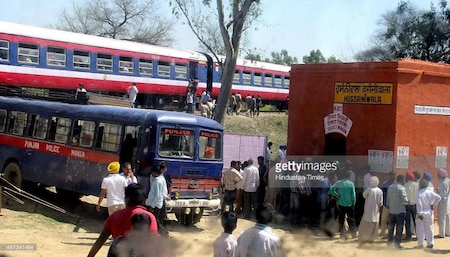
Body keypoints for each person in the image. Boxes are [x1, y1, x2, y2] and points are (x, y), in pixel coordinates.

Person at [87, 183, 158, 257]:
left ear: (126, 198)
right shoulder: (149, 217)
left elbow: (101, 240)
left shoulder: (115, 216)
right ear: (144, 200)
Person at [329, 170, 357, 240]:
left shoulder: (339, 182)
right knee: (351, 220)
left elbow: (331, 189)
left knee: (341, 220)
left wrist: (337, 196)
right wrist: (354, 202)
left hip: (341, 203)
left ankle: (342, 234)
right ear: (349, 176)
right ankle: (353, 234)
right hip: (350, 204)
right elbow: (353, 195)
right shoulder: (351, 184)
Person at [416, 178, 441, 249]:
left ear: (420, 185)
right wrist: (433, 204)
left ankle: (421, 243)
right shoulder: (429, 192)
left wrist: (419, 213)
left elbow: (419, 204)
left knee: (420, 229)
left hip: (422, 213)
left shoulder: (419, 193)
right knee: (430, 228)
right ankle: (430, 243)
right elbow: (438, 198)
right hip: (429, 212)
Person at [146, 164, 170, 237]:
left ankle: (164, 234)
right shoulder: (158, 179)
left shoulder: (158, 182)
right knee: (156, 220)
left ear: (155, 173)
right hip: (155, 202)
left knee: (155, 221)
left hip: (155, 204)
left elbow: (158, 195)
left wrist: (152, 206)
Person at [358, 176, 383, 244]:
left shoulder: (369, 189)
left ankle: (365, 238)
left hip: (368, 210)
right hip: (376, 210)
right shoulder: (380, 191)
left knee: (366, 225)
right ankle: (373, 238)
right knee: (375, 224)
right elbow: (381, 203)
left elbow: (364, 195)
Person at [386, 174, 408, 249]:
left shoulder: (390, 187)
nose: (405, 181)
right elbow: (405, 200)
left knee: (391, 227)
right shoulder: (401, 188)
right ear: (401, 180)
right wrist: (407, 202)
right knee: (399, 227)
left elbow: (387, 199)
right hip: (400, 211)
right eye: (404, 180)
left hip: (392, 210)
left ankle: (389, 242)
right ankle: (397, 244)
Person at [379, 172, 395, 237]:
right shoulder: (385, 184)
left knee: (392, 220)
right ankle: (383, 232)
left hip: (393, 205)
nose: (391, 177)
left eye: (393, 176)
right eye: (390, 176)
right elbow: (382, 193)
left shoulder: (396, 184)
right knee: (383, 220)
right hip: (386, 204)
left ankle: (390, 233)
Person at [404, 170, 419, 240]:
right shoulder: (417, 185)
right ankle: (418, 234)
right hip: (415, 205)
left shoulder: (405, 185)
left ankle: (408, 235)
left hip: (407, 205)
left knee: (407, 221)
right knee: (416, 220)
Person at [437, 168, 450, 238]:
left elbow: (442, 194)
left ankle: (442, 234)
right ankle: (448, 232)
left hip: (443, 202)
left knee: (442, 218)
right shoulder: (448, 180)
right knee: (448, 217)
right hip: (448, 201)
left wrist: (436, 193)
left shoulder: (442, 183)